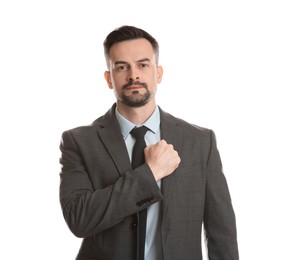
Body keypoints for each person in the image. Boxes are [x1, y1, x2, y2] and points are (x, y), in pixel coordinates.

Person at [59, 25, 239, 260]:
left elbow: (221, 233)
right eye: (122, 67)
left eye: (143, 65)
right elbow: (78, 219)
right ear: (109, 79)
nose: (133, 75)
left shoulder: (200, 142)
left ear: (159, 73)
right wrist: (150, 173)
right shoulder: (79, 142)